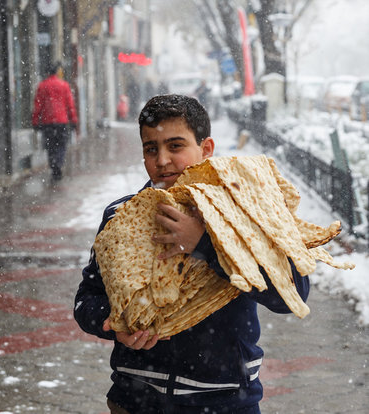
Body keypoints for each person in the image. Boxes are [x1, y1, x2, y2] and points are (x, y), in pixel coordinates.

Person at [74, 94, 310, 414]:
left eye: (175, 146)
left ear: (206, 148)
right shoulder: (120, 217)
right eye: (151, 148)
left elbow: (293, 293)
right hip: (136, 399)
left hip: (226, 401)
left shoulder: (243, 216)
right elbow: (87, 300)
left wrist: (204, 244)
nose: (162, 160)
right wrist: (114, 324)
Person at [32, 62, 78, 181]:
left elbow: (38, 105)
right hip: (61, 121)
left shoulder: (42, 86)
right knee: (61, 144)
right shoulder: (64, 85)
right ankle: (58, 163)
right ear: (56, 72)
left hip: (47, 122)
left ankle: (53, 166)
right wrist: (73, 120)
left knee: (50, 145)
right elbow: (70, 104)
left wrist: (35, 121)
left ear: (47, 72)